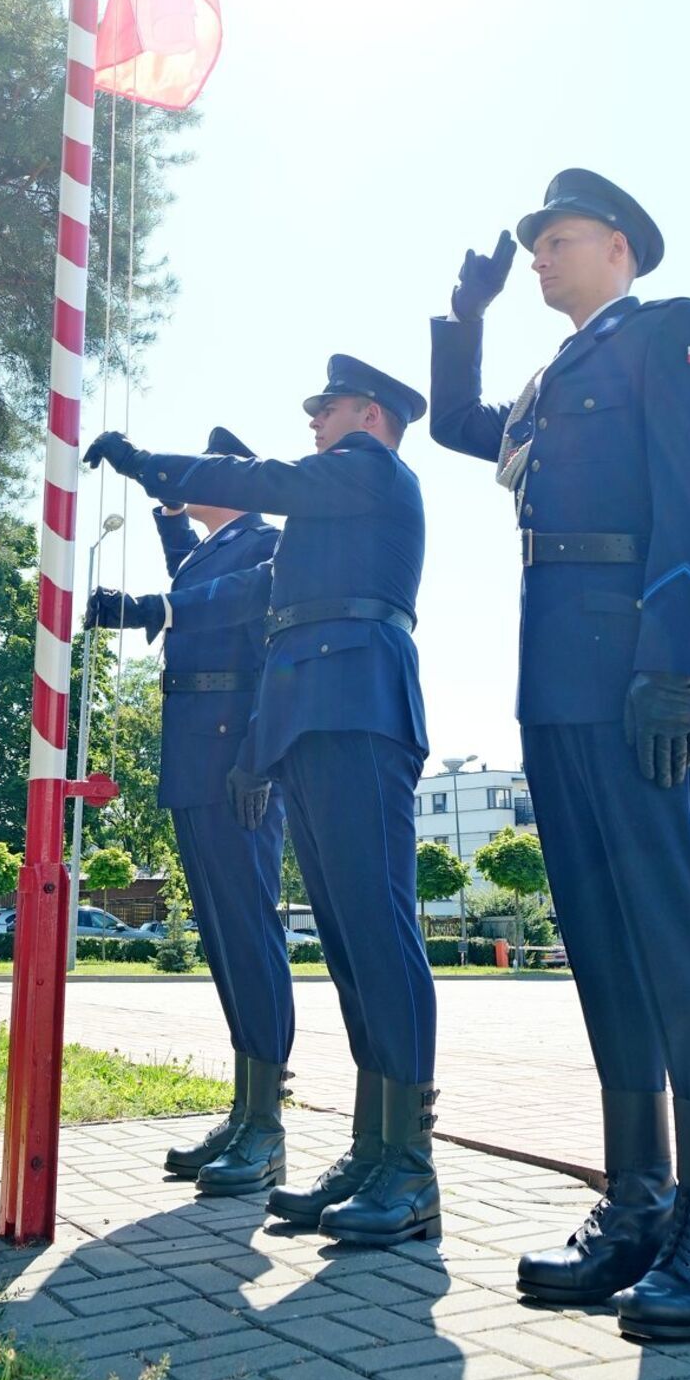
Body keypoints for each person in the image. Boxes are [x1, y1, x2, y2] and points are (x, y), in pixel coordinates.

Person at [429, 170, 690, 1343]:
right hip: (554, 687)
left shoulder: (673, 334)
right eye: (529, 249)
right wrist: (458, 329)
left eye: (553, 241)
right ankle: (637, 1200)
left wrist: (673, 659)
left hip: (632, 674)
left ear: (616, 244)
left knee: (675, 933)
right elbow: (459, 428)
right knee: (604, 948)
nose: (537, 261)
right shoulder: (546, 382)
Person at [85, 355, 440, 1248]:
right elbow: (242, 615)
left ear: (369, 413)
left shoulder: (369, 470)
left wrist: (149, 464)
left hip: (360, 707)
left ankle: (409, 1159)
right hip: (310, 719)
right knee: (353, 944)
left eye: (326, 409)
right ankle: (371, 1148)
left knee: (378, 927)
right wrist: (259, 748)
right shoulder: (325, 510)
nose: (313, 421)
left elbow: (259, 489)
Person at [83, 426, 288, 1188]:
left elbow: (230, 617)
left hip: (236, 761)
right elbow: (186, 576)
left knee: (250, 931)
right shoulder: (211, 546)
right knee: (224, 940)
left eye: (201, 473)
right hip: (195, 756)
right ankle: (245, 1109)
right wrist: (146, 480)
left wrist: (255, 760)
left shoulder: (268, 543)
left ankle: (266, 1125)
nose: (187, 481)